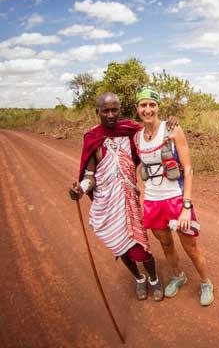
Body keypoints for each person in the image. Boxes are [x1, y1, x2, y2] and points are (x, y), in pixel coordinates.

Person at [69, 92, 164, 301]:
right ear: (98, 112)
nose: (111, 114)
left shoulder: (131, 132)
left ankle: (154, 279)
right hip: (107, 203)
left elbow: (155, 133)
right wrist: (81, 189)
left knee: (141, 248)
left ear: (120, 110)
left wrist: (171, 123)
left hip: (129, 199)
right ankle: (139, 278)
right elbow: (90, 176)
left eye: (114, 110)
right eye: (106, 110)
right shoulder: (93, 138)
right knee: (120, 247)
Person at [134, 87, 214, 306]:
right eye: (143, 105)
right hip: (152, 201)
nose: (148, 109)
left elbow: (187, 169)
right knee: (166, 244)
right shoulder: (137, 137)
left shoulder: (172, 129)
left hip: (176, 199)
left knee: (191, 246)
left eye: (152, 105)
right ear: (137, 108)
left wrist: (186, 206)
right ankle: (178, 276)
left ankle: (206, 282)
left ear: (158, 107)